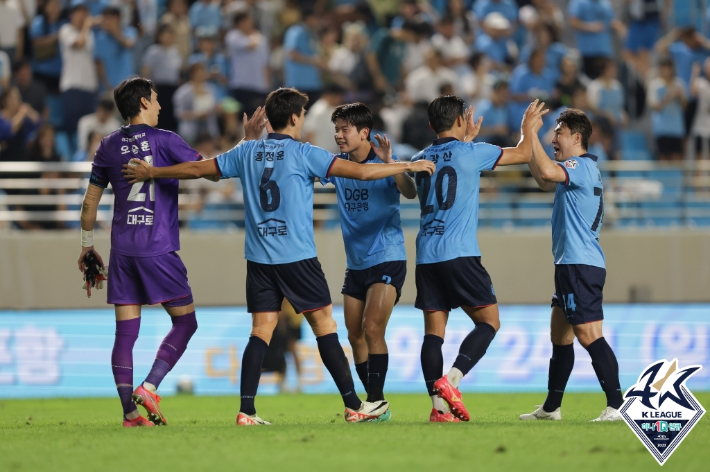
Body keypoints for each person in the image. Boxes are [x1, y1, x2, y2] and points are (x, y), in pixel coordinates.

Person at [122, 87, 436, 425]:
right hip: (297, 256)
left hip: (258, 259)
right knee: (325, 326)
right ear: (294, 117)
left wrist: (153, 173)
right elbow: (360, 172)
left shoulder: (246, 152)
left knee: (260, 331)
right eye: (302, 115)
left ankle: (247, 411)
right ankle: (353, 403)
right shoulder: (304, 153)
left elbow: (201, 170)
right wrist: (406, 164)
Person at [76, 76, 262, 427]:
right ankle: (149, 386)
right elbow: (211, 171)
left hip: (122, 253)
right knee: (186, 321)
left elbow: (89, 205)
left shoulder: (107, 146)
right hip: (158, 250)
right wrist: (248, 142)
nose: (161, 106)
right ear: (144, 102)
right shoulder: (166, 141)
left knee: (125, 335)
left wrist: (87, 248)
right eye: (157, 99)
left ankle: (129, 415)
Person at [412, 96, 545, 422]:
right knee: (489, 321)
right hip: (459, 253)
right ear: (460, 121)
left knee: (433, 334)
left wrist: (464, 138)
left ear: (431, 125)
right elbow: (524, 154)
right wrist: (527, 128)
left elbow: (449, 162)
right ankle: (452, 380)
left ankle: (438, 409)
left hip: (426, 254)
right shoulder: (473, 152)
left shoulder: (419, 158)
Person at [520, 107, 624, 422]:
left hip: (580, 263)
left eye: (559, 133)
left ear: (576, 137)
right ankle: (551, 408)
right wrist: (529, 139)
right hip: (571, 263)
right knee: (560, 333)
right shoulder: (577, 169)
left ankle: (618, 406)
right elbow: (542, 178)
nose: (554, 138)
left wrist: (531, 133)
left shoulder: (578, 164)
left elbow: (548, 173)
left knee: (588, 333)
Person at [319, 103, 417, 421]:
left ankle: (374, 402)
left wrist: (393, 165)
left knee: (372, 328)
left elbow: (410, 192)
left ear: (364, 133)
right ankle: (376, 405)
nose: (338, 136)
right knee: (354, 334)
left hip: (388, 257)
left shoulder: (384, 163)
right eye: (336, 130)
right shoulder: (337, 166)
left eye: (344, 129)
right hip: (356, 263)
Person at [647, 58, 687, 161]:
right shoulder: (655, 84)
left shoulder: (679, 83)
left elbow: (685, 106)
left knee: (677, 158)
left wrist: (680, 96)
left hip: (677, 129)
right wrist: (669, 96)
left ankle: (677, 177)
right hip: (662, 129)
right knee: (663, 158)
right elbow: (655, 106)